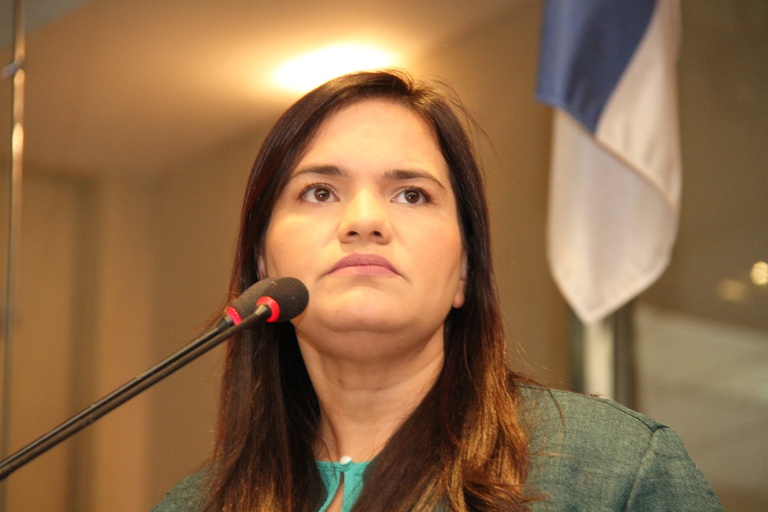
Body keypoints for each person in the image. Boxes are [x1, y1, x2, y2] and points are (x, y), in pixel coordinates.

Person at [153, 70, 721, 511]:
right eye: (321, 192)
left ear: (465, 272)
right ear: (262, 263)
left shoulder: (613, 468)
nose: (365, 221)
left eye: (412, 195)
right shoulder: (193, 505)